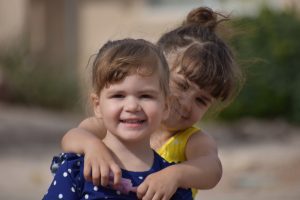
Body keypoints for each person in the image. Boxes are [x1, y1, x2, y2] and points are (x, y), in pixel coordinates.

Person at [60, 7, 244, 200]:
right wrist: (92, 147)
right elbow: (72, 137)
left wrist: (175, 175)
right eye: (181, 85)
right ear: (159, 73)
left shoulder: (190, 140)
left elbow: (212, 169)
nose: (186, 103)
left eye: (201, 100)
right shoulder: (115, 123)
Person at [43, 38, 192, 200]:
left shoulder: (170, 183)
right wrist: (93, 146)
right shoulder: (79, 169)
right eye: (118, 95)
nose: (132, 106)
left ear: (165, 107)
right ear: (98, 105)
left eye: (146, 96)